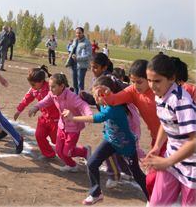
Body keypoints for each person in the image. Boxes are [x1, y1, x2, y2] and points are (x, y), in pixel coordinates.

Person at [63, 75, 148, 205]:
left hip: (126, 144)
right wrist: (86, 96)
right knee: (92, 163)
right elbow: (95, 101)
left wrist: (73, 118)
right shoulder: (104, 101)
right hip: (110, 141)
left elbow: (98, 118)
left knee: (137, 174)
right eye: (96, 95)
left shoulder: (114, 107)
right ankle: (96, 193)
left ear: (109, 93)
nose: (97, 99)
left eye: (99, 95)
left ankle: (152, 197)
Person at [94, 59, 166, 199]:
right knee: (152, 179)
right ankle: (154, 200)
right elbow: (114, 100)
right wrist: (107, 93)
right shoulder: (133, 91)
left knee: (171, 178)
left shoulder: (161, 92)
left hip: (174, 140)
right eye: (132, 81)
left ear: (149, 79)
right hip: (156, 141)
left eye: (139, 81)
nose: (135, 85)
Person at [143, 54, 196, 206]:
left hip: (193, 167)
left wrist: (167, 161)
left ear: (172, 78)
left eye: (157, 81)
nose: (152, 86)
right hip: (172, 159)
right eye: (149, 80)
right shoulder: (160, 95)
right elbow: (166, 122)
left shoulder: (181, 101)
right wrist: (157, 147)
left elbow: (195, 141)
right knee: (157, 203)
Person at [29, 73, 92, 172]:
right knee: (59, 150)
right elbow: (45, 101)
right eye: (49, 86)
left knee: (67, 152)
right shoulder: (52, 94)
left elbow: (83, 105)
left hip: (73, 127)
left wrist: (89, 115)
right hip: (61, 125)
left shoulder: (71, 96)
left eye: (53, 86)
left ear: (62, 86)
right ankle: (72, 165)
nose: (50, 89)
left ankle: (85, 151)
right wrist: (36, 107)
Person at [13, 65, 59, 158]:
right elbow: (26, 99)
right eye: (31, 84)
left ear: (41, 81)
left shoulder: (51, 88)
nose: (32, 87)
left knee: (56, 141)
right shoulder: (34, 89)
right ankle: (49, 154)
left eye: (33, 84)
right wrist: (18, 110)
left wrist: (37, 107)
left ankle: (80, 150)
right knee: (39, 135)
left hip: (56, 119)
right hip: (44, 118)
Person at [67, 27, 92, 94]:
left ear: (83, 33)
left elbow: (89, 55)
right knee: (74, 83)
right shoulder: (75, 41)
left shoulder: (87, 42)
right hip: (73, 65)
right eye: (76, 33)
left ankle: (81, 100)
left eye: (79, 33)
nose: (77, 34)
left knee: (80, 84)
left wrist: (77, 58)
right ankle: (75, 99)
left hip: (81, 66)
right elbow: (71, 50)